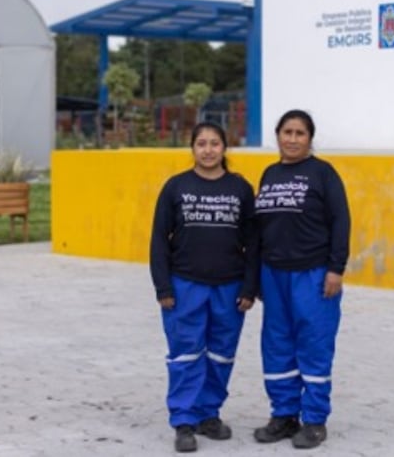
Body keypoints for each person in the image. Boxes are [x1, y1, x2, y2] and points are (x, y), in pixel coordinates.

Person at [149, 122, 259, 453]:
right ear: (192, 148)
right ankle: (183, 420)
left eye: (214, 143)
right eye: (201, 143)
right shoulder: (176, 187)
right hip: (185, 285)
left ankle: (208, 414)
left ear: (225, 148)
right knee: (185, 354)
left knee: (221, 355)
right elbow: (158, 240)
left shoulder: (240, 189)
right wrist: (163, 287)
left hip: (229, 287)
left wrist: (249, 287)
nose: (208, 149)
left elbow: (254, 242)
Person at [253, 109, 351, 449]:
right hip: (274, 274)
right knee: (277, 344)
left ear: (310, 139)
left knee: (313, 343)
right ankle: (283, 415)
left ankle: (314, 420)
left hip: (313, 274)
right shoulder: (269, 174)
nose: (292, 139)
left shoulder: (323, 174)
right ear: (277, 135)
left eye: (300, 133)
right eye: (287, 132)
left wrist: (335, 268)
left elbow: (341, 221)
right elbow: (260, 228)